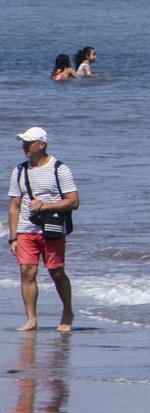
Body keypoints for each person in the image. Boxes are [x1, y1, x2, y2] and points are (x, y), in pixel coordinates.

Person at [8, 127, 78, 333]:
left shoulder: (60, 169)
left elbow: (73, 201)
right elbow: (14, 205)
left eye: (29, 143)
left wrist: (45, 206)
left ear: (42, 144)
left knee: (56, 272)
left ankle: (67, 312)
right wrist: (13, 237)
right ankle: (31, 319)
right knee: (27, 271)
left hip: (52, 229)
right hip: (25, 230)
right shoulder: (19, 171)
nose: (25, 147)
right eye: (24, 143)